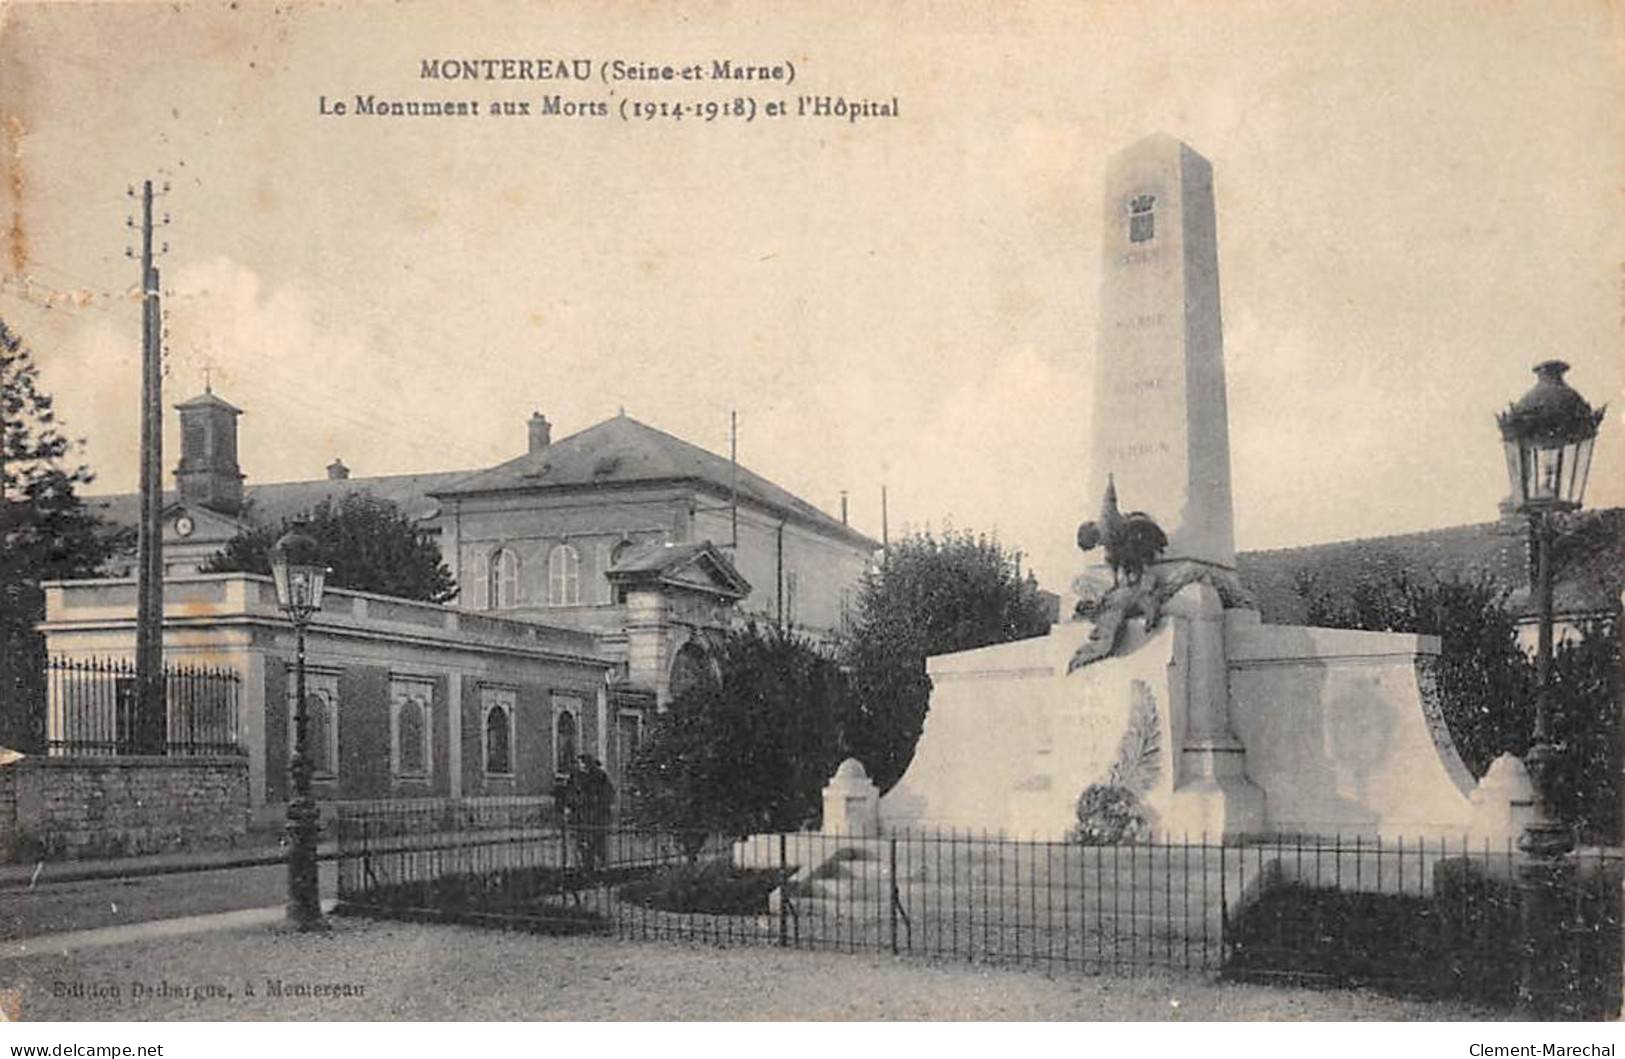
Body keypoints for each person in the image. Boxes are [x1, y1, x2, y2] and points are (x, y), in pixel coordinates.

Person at [564, 753, 615, 871]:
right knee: (582, 842)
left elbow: (608, 793)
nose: (580, 765)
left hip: (596, 815)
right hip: (580, 814)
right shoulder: (575, 775)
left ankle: (601, 865)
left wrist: (600, 803)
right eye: (579, 763)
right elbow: (570, 792)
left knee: (597, 841)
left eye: (582, 763)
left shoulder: (599, 775)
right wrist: (570, 806)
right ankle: (585, 866)